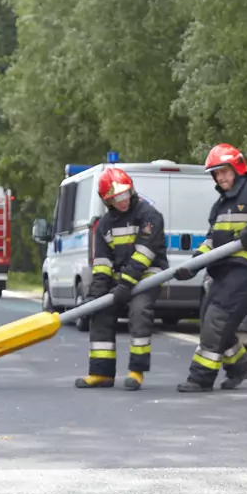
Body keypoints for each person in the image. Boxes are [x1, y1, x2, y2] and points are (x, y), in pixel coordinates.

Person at [175, 143, 247, 393]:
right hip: (224, 269)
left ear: (237, 168)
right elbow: (211, 241)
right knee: (209, 318)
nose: (220, 177)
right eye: (216, 173)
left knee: (217, 319)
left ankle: (201, 377)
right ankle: (239, 368)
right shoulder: (220, 205)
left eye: (224, 171)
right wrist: (193, 264)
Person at [75, 167, 168, 391]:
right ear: (107, 201)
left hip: (147, 277)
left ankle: (136, 371)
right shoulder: (105, 225)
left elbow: (144, 255)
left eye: (125, 195)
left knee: (139, 311)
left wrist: (125, 284)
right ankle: (101, 373)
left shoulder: (149, 215)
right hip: (121, 281)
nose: (123, 201)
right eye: (116, 198)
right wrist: (95, 295)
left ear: (131, 191)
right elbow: (103, 263)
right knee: (101, 312)